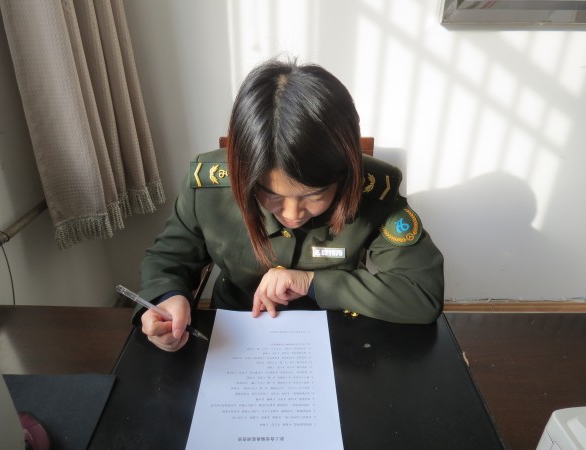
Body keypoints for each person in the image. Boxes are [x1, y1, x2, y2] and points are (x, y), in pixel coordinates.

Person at [136, 58, 444, 352]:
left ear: (344, 173)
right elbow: (169, 258)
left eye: (313, 196)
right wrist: (167, 297)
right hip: (235, 332)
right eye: (272, 195)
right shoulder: (210, 187)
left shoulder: (373, 190)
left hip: (338, 331)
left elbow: (420, 293)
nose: (292, 215)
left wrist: (313, 282)